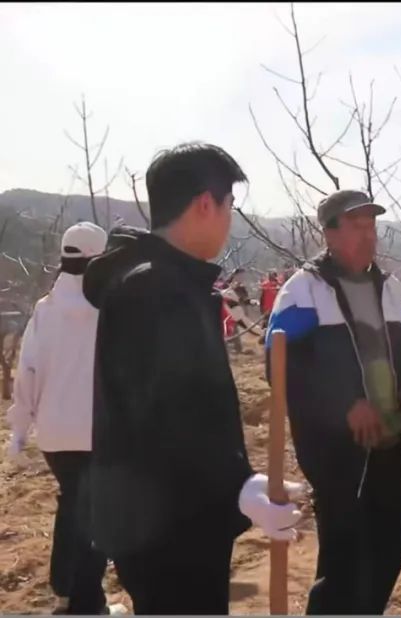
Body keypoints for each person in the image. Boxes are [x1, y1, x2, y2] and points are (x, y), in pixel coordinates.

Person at [82, 142, 304, 615]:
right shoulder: (155, 288)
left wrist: (236, 482)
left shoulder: (165, 281)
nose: (229, 220)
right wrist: (236, 486)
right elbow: (168, 413)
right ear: (206, 204)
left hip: (169, 512)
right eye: (229, 206)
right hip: (168, 522)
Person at [265, 189, 401, 615]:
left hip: (393, 444)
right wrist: (345, 405)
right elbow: (281, 368)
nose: (368, 235)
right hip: (338, 454)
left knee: (389, 551)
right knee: (344, 563)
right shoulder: (303, 291)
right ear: (329, 233)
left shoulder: (391, 290)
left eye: (371, 225)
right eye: (356, 225)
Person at [5, 222, 126, 616]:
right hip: (99, 431)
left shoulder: (46, 309)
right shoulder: (112, 308)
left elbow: (28, 372)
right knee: (92, 513)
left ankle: (66, 594)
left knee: (73, 505)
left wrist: (19, 430)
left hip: (55, 435)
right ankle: (86, 603)